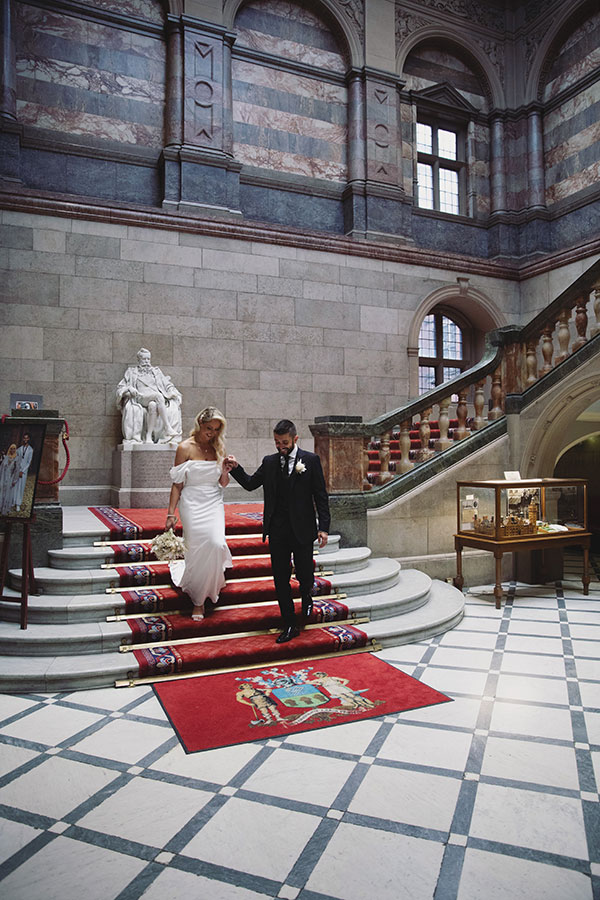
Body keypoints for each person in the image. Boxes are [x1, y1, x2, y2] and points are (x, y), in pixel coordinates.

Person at [226, 419, 330, 644]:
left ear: (295, 439)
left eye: (284, 442)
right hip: (278, 530)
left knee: (304, 574)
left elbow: (320, 495)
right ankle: (290, 623)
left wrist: (324, 527)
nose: (280, 446)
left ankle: (307, 595)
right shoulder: (269, 462)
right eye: (276, 442)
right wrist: (236, 468)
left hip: (303, 529)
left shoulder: (310, 461)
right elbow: (250, 483)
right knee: (280, 578)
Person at [165, 407, 233, 620]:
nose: (212, 433)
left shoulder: (218, 447)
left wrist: (226, 471)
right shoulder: (184, 447)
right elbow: (177, 484)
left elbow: (223, 483)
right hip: (191, 503)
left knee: (216, 543)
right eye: (208, 428)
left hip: (213, 502)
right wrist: (170, 513)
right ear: (200, 424)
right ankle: (198, 601)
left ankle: (210, 583)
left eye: (216, 429)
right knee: (195, 549)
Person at [116, 348, 182, 445]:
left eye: (148, 359)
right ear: (139, 360)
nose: (147, 361)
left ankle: (148, 436)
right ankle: (168, 427)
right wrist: (129, 388)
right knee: (158, 396)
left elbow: (167, 384)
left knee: (153, 405)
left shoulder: (156, 372)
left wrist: (172, 391)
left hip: (154, 400)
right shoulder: (131, 372)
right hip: (140, 397)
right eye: (144, 359)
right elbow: (121, 387)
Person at [15, 432, 33, 512]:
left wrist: (22, 471)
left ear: (28, 439)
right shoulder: (19, 449)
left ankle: (18, 504)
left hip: (24, 472)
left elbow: (29, 462)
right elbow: (16, 458)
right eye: (24, 438)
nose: (25, 439)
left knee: (21, 487)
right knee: (15, 486)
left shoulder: (30, 450)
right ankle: (13, 502)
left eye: (27, 438)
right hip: (17, 470)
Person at [0, 444, 20, 516]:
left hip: (10, 478)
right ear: (9, 449)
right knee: (2, 491)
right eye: (11, 448)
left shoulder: (17, 458)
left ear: (15, 450)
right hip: (3, 477)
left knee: (8, 493)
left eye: (14, 449)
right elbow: (1, 468)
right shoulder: (6, 457)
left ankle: (5, 508)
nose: (12, 450)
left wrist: (14, 480)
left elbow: (17, 470)